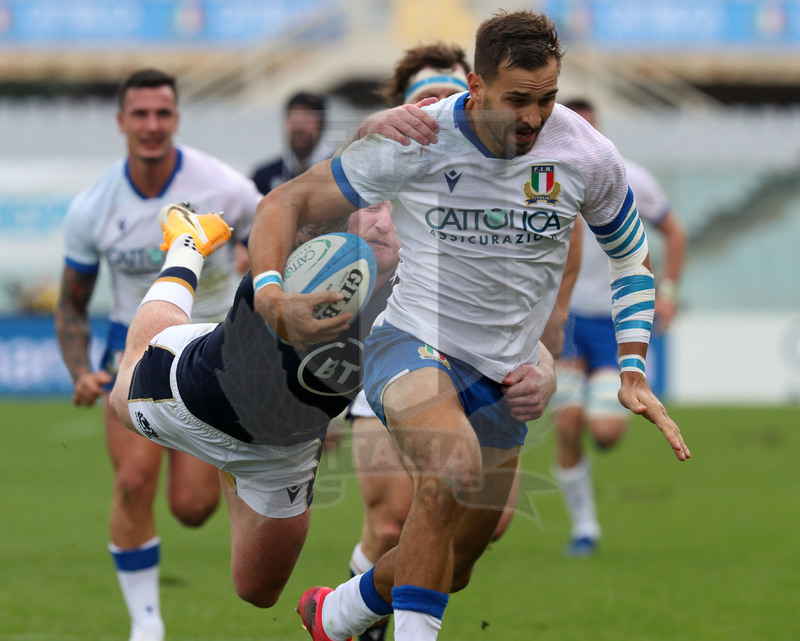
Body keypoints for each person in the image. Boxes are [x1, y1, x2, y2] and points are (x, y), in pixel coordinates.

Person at [248, 10, 690, 641]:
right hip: (411, 344)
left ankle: (337, 611)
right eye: (518, 100)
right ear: (476, 88)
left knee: (452, 565)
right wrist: (269, 293)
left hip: (507, 375)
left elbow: (630, 256)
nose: (534, 118)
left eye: (547, 98)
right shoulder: (420, 139)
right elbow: (284, 202)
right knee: (452, 468)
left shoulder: (587, 155)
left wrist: (632, 365)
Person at [106, 200, 557, 624]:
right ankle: (187, 245)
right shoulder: (302, 252)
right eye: (370, 207)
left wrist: (545, 377)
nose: (383, 222)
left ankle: (238, 479)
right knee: (132, 367)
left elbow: (511, 338)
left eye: (395, 211)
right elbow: (286, 209)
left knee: (258, 590)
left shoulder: (419, 289)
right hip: (193, 401)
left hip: (284, 451)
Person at [345, 41, 575, 641]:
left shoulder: (512, 177)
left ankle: (351, 604)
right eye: (425, 98)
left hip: (483, 368)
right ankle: (366, 621)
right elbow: (315, 250)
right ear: (403, 108)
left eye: (449, 94)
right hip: (395, 358)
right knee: (399, 511)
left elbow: (539, 292)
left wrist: (544, 364)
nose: (439, 106)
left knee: (467, 547)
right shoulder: (380, 170)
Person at [54, 68, 260, 641]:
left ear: (176, 119)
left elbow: (277, 240)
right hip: (134, 351)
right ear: (121, 122)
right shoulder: (93, 208)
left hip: (209, 352)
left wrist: (252, 255)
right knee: (132, 484)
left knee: (193, 509)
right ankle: (146, 625)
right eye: (139, 115)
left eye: (162, 114)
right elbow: (71, 303)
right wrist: (79, 371)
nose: (151, 125)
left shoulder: (226, 188)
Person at [552, 98, 688, 557]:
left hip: (612, 324)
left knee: (606, 433)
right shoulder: (543, 178)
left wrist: (665, 295)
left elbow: (675, 231)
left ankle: (598, 407)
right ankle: (585, 527)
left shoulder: (629, 176)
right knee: (567, 420)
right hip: (567, 320)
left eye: (590, 130)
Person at [251, 91, 337, 196]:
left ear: (321, 122)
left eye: (307, 116)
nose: (298, 127)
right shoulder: (264, 177)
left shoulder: (340, 172)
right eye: (292, 116)